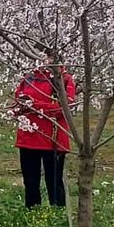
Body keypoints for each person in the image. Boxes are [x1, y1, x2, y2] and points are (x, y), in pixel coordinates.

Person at [14, 65, 75, 207]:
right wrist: (19, 108)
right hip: (28, 138)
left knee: (54, 182)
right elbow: (17, 101)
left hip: (53, 138)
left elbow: (64, 108)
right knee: (30, 182)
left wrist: (33, 106)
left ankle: (57, 215)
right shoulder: (28, 77)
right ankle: (32, 214)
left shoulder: (62, 78)